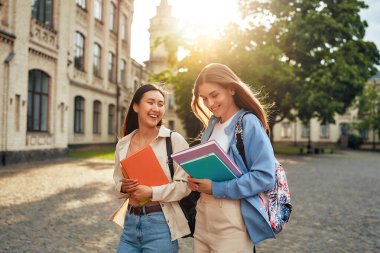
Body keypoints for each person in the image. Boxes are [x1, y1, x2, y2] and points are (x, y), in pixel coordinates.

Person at [188, 63, 277, 252]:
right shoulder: (212, 125)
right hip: (203, 218)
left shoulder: (248, 122)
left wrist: (216, 187)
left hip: (232, 222)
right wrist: (196, 179)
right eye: (204, 98)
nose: (210, 104)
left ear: (231, 89)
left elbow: (265, 177)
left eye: (214, 95)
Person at [111, 84, 191, 253]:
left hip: (161, 226)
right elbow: (117, 182)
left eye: (160, 104)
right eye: (151, 102)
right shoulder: (123, 143)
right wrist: (123, 187)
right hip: (130, 224)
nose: (156, 108)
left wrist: (151, 192)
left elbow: (185, 186)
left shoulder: (173, 140)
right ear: (136, 106)